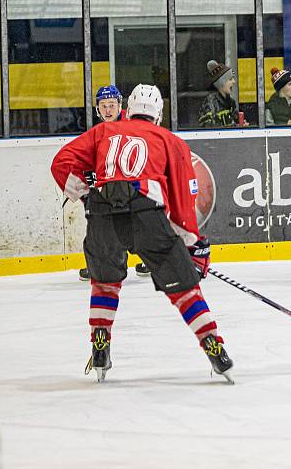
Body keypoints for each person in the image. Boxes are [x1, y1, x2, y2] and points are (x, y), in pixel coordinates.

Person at [50, 84, 233, 383]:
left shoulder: (103, 132)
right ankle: (213, 344)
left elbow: (60, 163)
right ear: (158, 113)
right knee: (184, 289)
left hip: (102, 214)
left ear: (129, 108)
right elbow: (182, 201)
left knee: (105, 284)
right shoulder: (170, 140)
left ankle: (100, 344)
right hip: (145, 213)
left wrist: (86, 194)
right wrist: (192, 244)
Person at [80, 85, 151, 281]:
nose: (108, 110)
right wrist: (91, 192)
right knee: (98, 227)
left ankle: (150, 260)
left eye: (112, 105)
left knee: (142, 224)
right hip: (107, 191)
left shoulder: (131, 128)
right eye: (104, 106)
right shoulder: (95, 134)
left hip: (132, 187)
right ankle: (97, 266)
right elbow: (88, 166)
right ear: (97, 109)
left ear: (120, 105)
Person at [198, 59, 246, 128]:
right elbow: (214, 131)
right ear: (221, 83)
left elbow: (235, 120)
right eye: (230, 79)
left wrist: (242, 125)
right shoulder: (211, 104)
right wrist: (235, 126)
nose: (234, 82)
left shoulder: (231, 102)